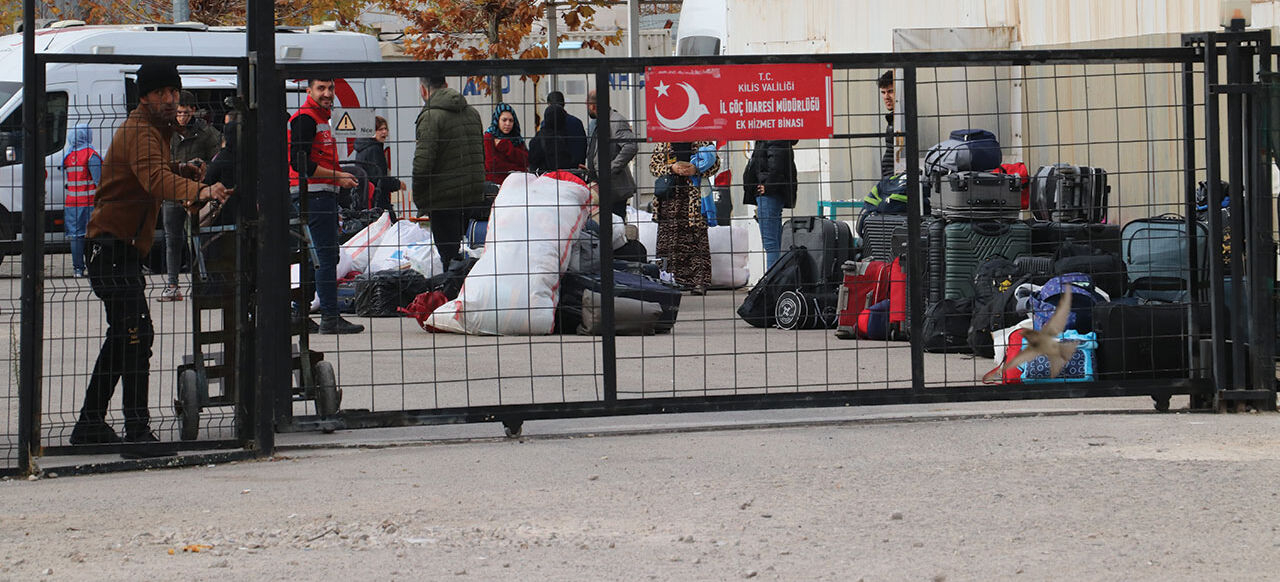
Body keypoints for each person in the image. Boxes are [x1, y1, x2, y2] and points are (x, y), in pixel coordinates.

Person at [69, 63, 232, 444]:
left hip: (117, 248)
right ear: (144, 96)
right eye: (161, 93)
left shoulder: (153, 130)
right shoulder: (142, 130)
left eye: (173, 92)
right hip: (111, 247)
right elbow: (153, 179)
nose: (170, 99)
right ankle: (136, 430)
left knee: (126, 335)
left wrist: (184, 170)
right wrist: (200, 191)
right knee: (135, 335)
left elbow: (153, 170)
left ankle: (90, 423)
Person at [288, 78, 365, 335]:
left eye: (330, 88)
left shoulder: (321, 118)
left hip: (318, 194)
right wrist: (337, 176)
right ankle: (330, 317)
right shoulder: (306, 119)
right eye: (321, 88)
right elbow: (300, 163)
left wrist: (339, 176)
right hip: (314, 195)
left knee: (313, 257)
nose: (327, 93)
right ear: (309, 91)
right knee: (325, 256)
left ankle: (299, 314)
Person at [412, 76, 485, 266]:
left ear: (423, 90)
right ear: (445, 85)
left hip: (443, 200)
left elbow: (423, 163)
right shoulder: (472, 113)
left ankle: (453, 289)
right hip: (471, 196)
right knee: (463, 250)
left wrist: (420, 199)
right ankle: (463, 285)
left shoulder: (430, 116)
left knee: (448, 255)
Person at [161, 90, 222, 302]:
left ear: (193, 111)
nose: (181, 117)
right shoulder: (165, 132)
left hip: (196, 195)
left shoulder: (205, 132)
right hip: (171, 194)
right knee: (172, 240)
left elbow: (218, 156)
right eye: (178, 113)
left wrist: (204, 171)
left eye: (185, 113)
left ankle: (204, 284)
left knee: (196, 239)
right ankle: (172, 285)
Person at [650, 141, 719, 295]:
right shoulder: (664, 141)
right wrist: (671, 168)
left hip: (693, 196)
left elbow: (715, 163)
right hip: (669, 197)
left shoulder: (702, 139)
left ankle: (699, 282)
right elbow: (653, 166)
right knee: (669, 238)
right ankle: (668, 280)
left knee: (696, 238)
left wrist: (696, 169)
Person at [743, 140, 799, 270]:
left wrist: (768, 186)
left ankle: (771, 285)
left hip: (769, 195)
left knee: (771, 244)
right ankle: (776, 282)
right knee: (775, 243)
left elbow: (777, 165)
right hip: (770, 194)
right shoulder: (773, 136)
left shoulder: (772, 136)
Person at [583, 89, 637, 218]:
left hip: (614, 188)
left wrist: (609, 169)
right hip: (599, 186)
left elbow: (631, 147)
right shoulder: (596, 123)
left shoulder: (616, 121)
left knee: (616, 227)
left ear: (592, 106)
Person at [61, 123, 101, 278]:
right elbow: (99, 181)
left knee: (75, 235)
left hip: (72, 202)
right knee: (94, 234)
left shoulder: (68, 156)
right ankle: (93, 265)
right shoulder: (91, 155)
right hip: (90, 201)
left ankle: (78, 269)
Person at [353, 115, 403, 216]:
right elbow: (379, 178)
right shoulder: (374, 149)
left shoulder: (362, 148)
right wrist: (397, 184)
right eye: (380, 129)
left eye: (385, 129)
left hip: (366, 200)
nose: (384, 132)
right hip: (377, 201)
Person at [482, 103, 528, 184]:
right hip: (496, 185)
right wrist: (518, 169)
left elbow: (526, 160)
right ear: (497, 120)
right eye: (504, 120)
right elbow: (491, 165)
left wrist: (506, 146)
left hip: (517, 183)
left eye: (511, 120)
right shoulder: (489, 137)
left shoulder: (516, 138)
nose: (508, 124)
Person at [528, 104, 579, 174]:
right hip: (558, 180)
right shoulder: (560, 140)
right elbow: (564, 164)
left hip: (540, 180)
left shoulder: (537, 138)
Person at [547, 90, 587, 167]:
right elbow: (583, 147)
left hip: (555, 172)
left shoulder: (546, 124)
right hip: (576, 170)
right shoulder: (577, 122)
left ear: (549, 105)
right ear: (564, 103)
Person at [879, 70, 897, 178]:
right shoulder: (893, 119)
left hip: (895, 179)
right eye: (883, 92)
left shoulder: (903, 119)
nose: (886, 97)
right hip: (890, 179)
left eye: (890, 91)